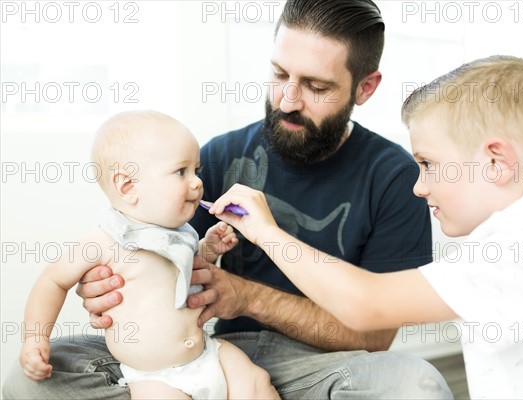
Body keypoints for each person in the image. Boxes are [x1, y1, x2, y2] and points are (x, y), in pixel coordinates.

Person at [3, 1, 453, 399]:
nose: (288, 100)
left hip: (318, 367)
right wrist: (108, 290)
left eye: (316, 86)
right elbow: (153, 262)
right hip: (207, 351)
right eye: (279, 75)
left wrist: (245, 296)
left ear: (365, 88)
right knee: (32, 380)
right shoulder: (215, 157)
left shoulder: (396, 177)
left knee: (417, 385)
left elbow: (375, 336)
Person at [208, 56, 523, 399]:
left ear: (496, 163)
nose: (419, 186)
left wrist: (265, 231)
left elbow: (367, 306)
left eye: (427, 164)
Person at [15, 110, 280, 400]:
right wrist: (35, 338)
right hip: (156, 379)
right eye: (181, 172)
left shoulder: (182, 232)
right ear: (128, 186)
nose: (197, 183)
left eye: (197, 171)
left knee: (256, 381)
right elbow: (52, 281)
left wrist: (209, 248)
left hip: (208, 354)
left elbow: (190, 276)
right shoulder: (105, 242)